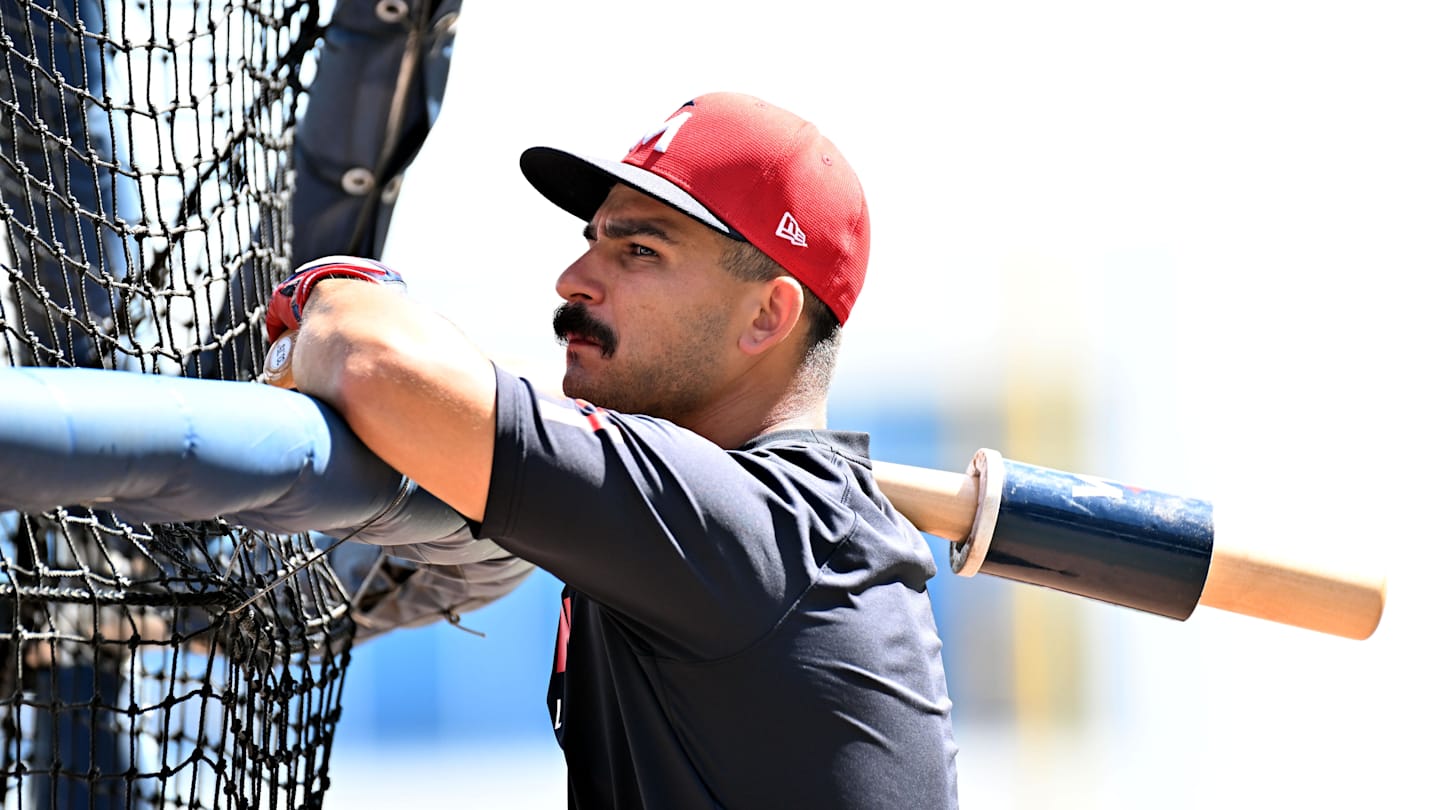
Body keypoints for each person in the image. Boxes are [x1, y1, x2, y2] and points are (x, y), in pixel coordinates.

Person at [268, 91, 960, 809]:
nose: (574, 280)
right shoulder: (773, 521)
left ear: (766, 314)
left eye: (638, 250)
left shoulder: (748, 526)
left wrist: (332, 293)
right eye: (592, 238)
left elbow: (375, 363)